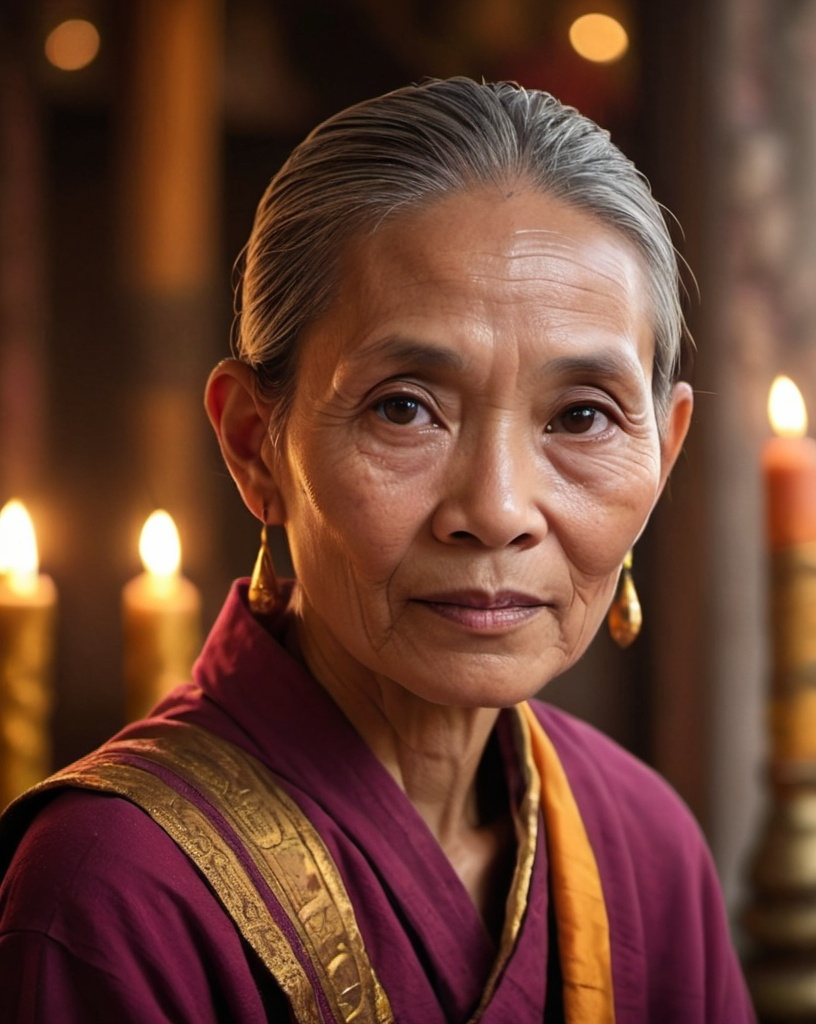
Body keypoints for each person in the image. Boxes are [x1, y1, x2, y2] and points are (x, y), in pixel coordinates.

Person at [0, 77, 755, 1023]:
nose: (497, 509)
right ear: (253, 443)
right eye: (405, 408)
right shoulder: (118, 886)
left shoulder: (643, 848)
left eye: (581, 416)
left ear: (666, 448)